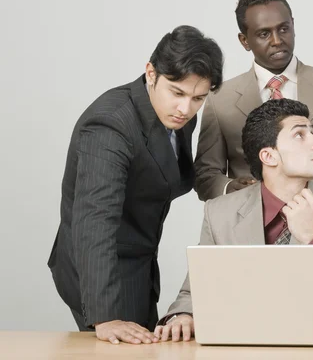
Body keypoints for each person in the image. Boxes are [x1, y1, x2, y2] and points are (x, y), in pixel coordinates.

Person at [47, 25, 224, 344]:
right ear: (151, 73)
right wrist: (105, 316)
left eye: (199, 97)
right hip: (101, 266)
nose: (186, 108)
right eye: (178, 93)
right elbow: (94, 220)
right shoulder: (110, 125)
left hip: (139, 259)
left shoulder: (179, 115)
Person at [155, 99, 313, 342]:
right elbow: (194, 291)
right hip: (239, 348)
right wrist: (184, 315)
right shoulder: (219, 213)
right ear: (269, 156)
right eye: (300, 135)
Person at [194, 0, 313, 200]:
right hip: (251, 228)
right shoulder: (220, 98)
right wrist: (229, 187)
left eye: (283, 29)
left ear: (293, 26)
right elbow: (205, 175)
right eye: (263, 34)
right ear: (244, 41)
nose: (277, 40)